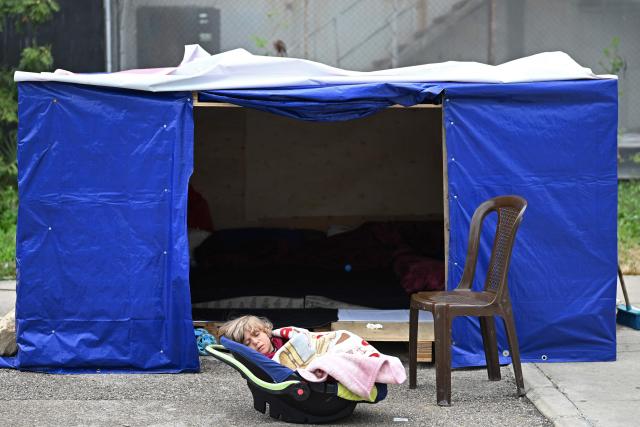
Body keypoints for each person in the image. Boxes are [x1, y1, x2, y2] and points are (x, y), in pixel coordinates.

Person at [218, 315, 287, 359]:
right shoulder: (262, 363)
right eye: (247, 343)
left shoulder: (284, 338)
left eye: (257, 334)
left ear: (266, 331)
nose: (255, 342)